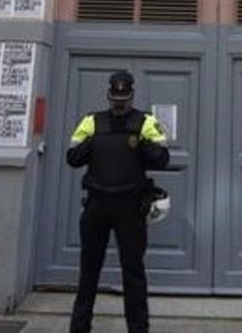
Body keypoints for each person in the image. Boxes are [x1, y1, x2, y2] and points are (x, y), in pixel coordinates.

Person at [67, 70, 170, 333]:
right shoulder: (92, 121)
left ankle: (138, 329)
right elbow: (73, 157)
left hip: (130, 207)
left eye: (123, 97)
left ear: (132, 94)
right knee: (88, 272)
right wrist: (94, 143)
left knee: (133, 273)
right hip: (97, 206)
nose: (119, 103)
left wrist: (143, 145)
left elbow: (162, 158)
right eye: (115, 97)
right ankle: (79, 328)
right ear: (108, 95)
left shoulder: (146, 122)